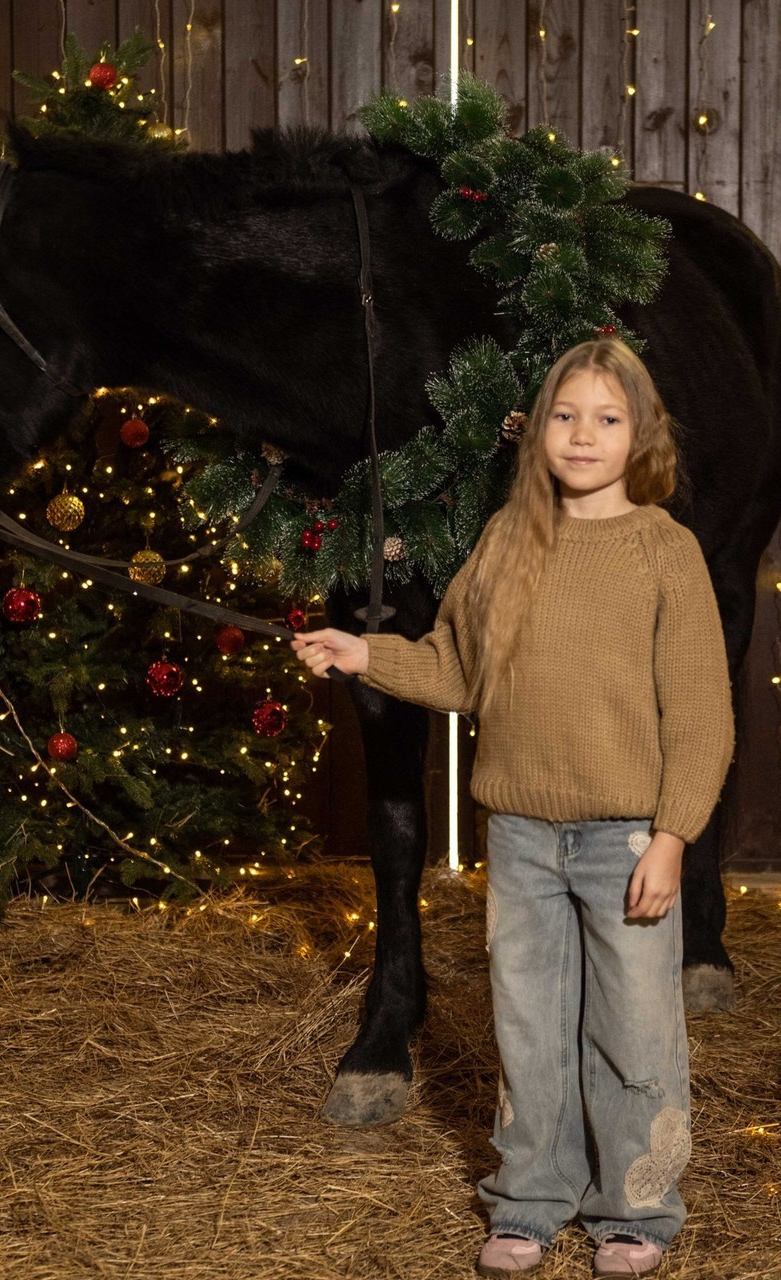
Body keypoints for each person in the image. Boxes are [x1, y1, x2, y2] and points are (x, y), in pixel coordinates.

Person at [291, 338, 733, 1277]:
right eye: (566, 416)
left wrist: (673, 838)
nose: (583, 435)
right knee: (529, 1028)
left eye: (607, 419)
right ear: (537, 432)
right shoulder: (506, 540)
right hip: (524, 838)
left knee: (634, 1030)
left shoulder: (666, 552)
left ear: (640, 435)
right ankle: (530, 1198)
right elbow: (458, 669)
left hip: (626, 840)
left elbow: (700, 714)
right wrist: (368, 655)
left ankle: (637, 1210)